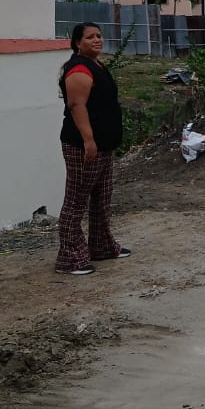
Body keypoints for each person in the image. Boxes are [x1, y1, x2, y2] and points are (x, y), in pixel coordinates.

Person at [55, 21, 130, 276]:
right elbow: (77, 106)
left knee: (101, 197)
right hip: (83, 146)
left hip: (104, 145)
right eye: (90, 37)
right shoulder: (78, 69)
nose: (97, 40)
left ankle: (101, 246)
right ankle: (70, 258)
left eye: (99, 35)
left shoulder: (96, 65)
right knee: (76, 200)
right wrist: (88, 141)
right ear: (78, 43)